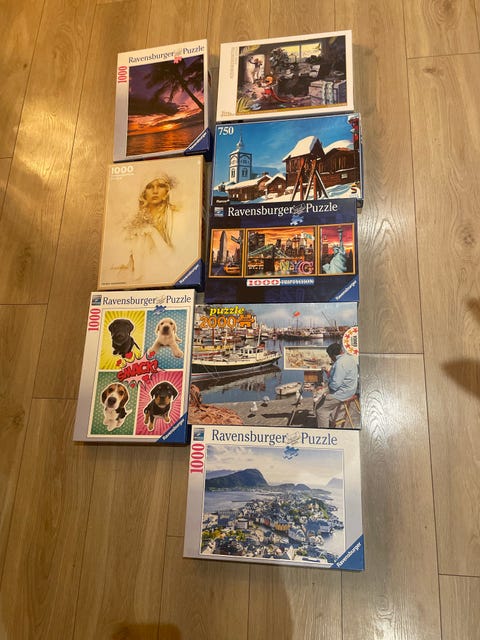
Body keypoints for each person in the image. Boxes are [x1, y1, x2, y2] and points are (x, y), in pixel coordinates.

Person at [114, 175, 178, 281]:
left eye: (160, 186)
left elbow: (175, 260)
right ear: (143, 192)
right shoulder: (135, 223)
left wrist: (154, 233)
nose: (155, 191)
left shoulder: (174, 217)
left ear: (167, 191)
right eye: (149, 187)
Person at [314, 342, 359, 428]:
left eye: (330, 356)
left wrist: (324, 389)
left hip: (343, 393)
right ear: (341, 350)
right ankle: (330, 420)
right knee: (324, 398)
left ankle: (324, 432)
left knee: (320, 409)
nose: (330, 358)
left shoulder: (339, 363)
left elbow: (335, 385)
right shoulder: (349, 357)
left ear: (333, 355)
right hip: (351, 389)